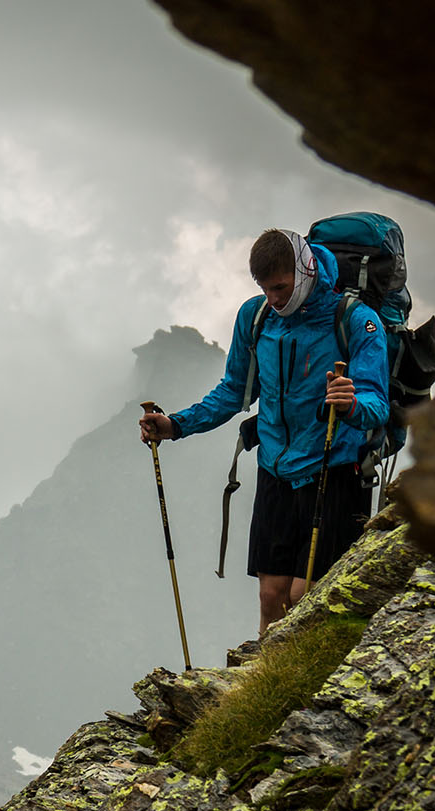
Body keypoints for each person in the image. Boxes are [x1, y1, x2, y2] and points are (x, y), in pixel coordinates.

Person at [139, 228, 389, 636]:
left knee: (305, 597)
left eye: (280, 287)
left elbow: (378, 404)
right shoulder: (255, 318)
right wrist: (177, 425)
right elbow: (234, 391)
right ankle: (265, 670)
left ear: (306, 271)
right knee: (271, 597)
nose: (273, 299)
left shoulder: (356, 321)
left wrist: (352, 405)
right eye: (264, 288)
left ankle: (302, 674)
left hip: (335, 470)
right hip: (276, 469)